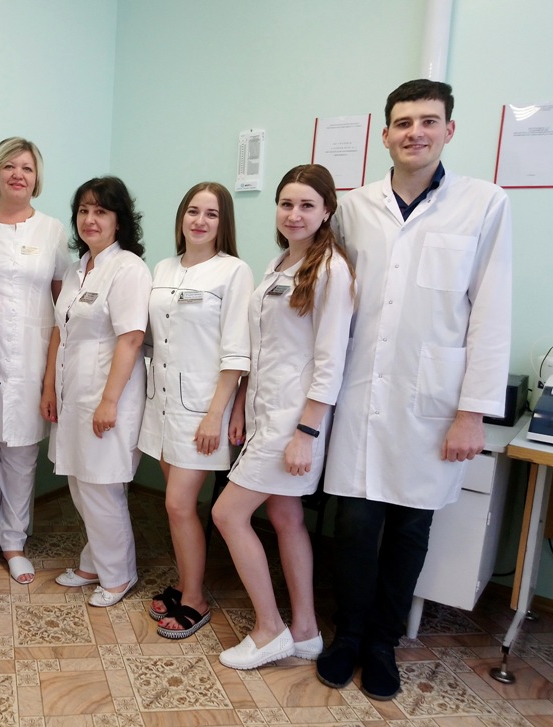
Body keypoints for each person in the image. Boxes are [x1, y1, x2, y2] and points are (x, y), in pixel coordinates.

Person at [317, 79, 512, 700]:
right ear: (385, 135)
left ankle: (382, 643)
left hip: (432, 404)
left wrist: (472, 412)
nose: (415, 132)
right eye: (403, 122)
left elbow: (491, 313)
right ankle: (347, 635)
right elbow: (327, 301)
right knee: (353, 525)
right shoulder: (352, 208)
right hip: (358, 395)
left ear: (449, 130)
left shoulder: (483, 204)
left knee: (408, 531)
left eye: (428, 121)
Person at [213, 164, 355, 670]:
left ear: (327, 211)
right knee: (286, 516)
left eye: (307, 206)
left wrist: (306, 433)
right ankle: (307, 630)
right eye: (287, 204)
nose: (295, 214)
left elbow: (329, 361)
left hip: (293, 421)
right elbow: (264, 346)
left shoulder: (332, 270)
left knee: (227, 514)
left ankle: (270, 628)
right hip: (265, 413)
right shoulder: (279, 264)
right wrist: (241, 406)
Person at [140, 182, 253, 638]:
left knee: (178, 503)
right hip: (161, 402)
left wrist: (215, 415)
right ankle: (186, 583)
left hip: (202, 409)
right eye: (192, 211)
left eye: (211, 214)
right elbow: (151, 338)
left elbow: (236, 352)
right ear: (181, 217)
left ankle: (195, 600)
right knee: (178, 509)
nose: (200, 221)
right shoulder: (163, 267)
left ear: (223, 223)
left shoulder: (234, 271)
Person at [42, 176, 152, 607]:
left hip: (109, 395)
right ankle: (94, 563)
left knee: (101, 486)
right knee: (80, 481)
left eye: (101, 211)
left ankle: (119, 575)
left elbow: (131, 338)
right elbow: (60, 329)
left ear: (119, 220)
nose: (90, 219)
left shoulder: (128, 269)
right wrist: (49, 387)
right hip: (73, 393)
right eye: (84, 211)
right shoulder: (77, 269)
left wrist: (109, 401)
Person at [0, 137, 71, 584]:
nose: (17, 174)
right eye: (9, 166)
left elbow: (62, 305)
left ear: (36, 178)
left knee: (22, 452)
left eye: (26, 168)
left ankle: (13, 538)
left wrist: (53, 376)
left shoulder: (52, 230)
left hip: (32, 356)